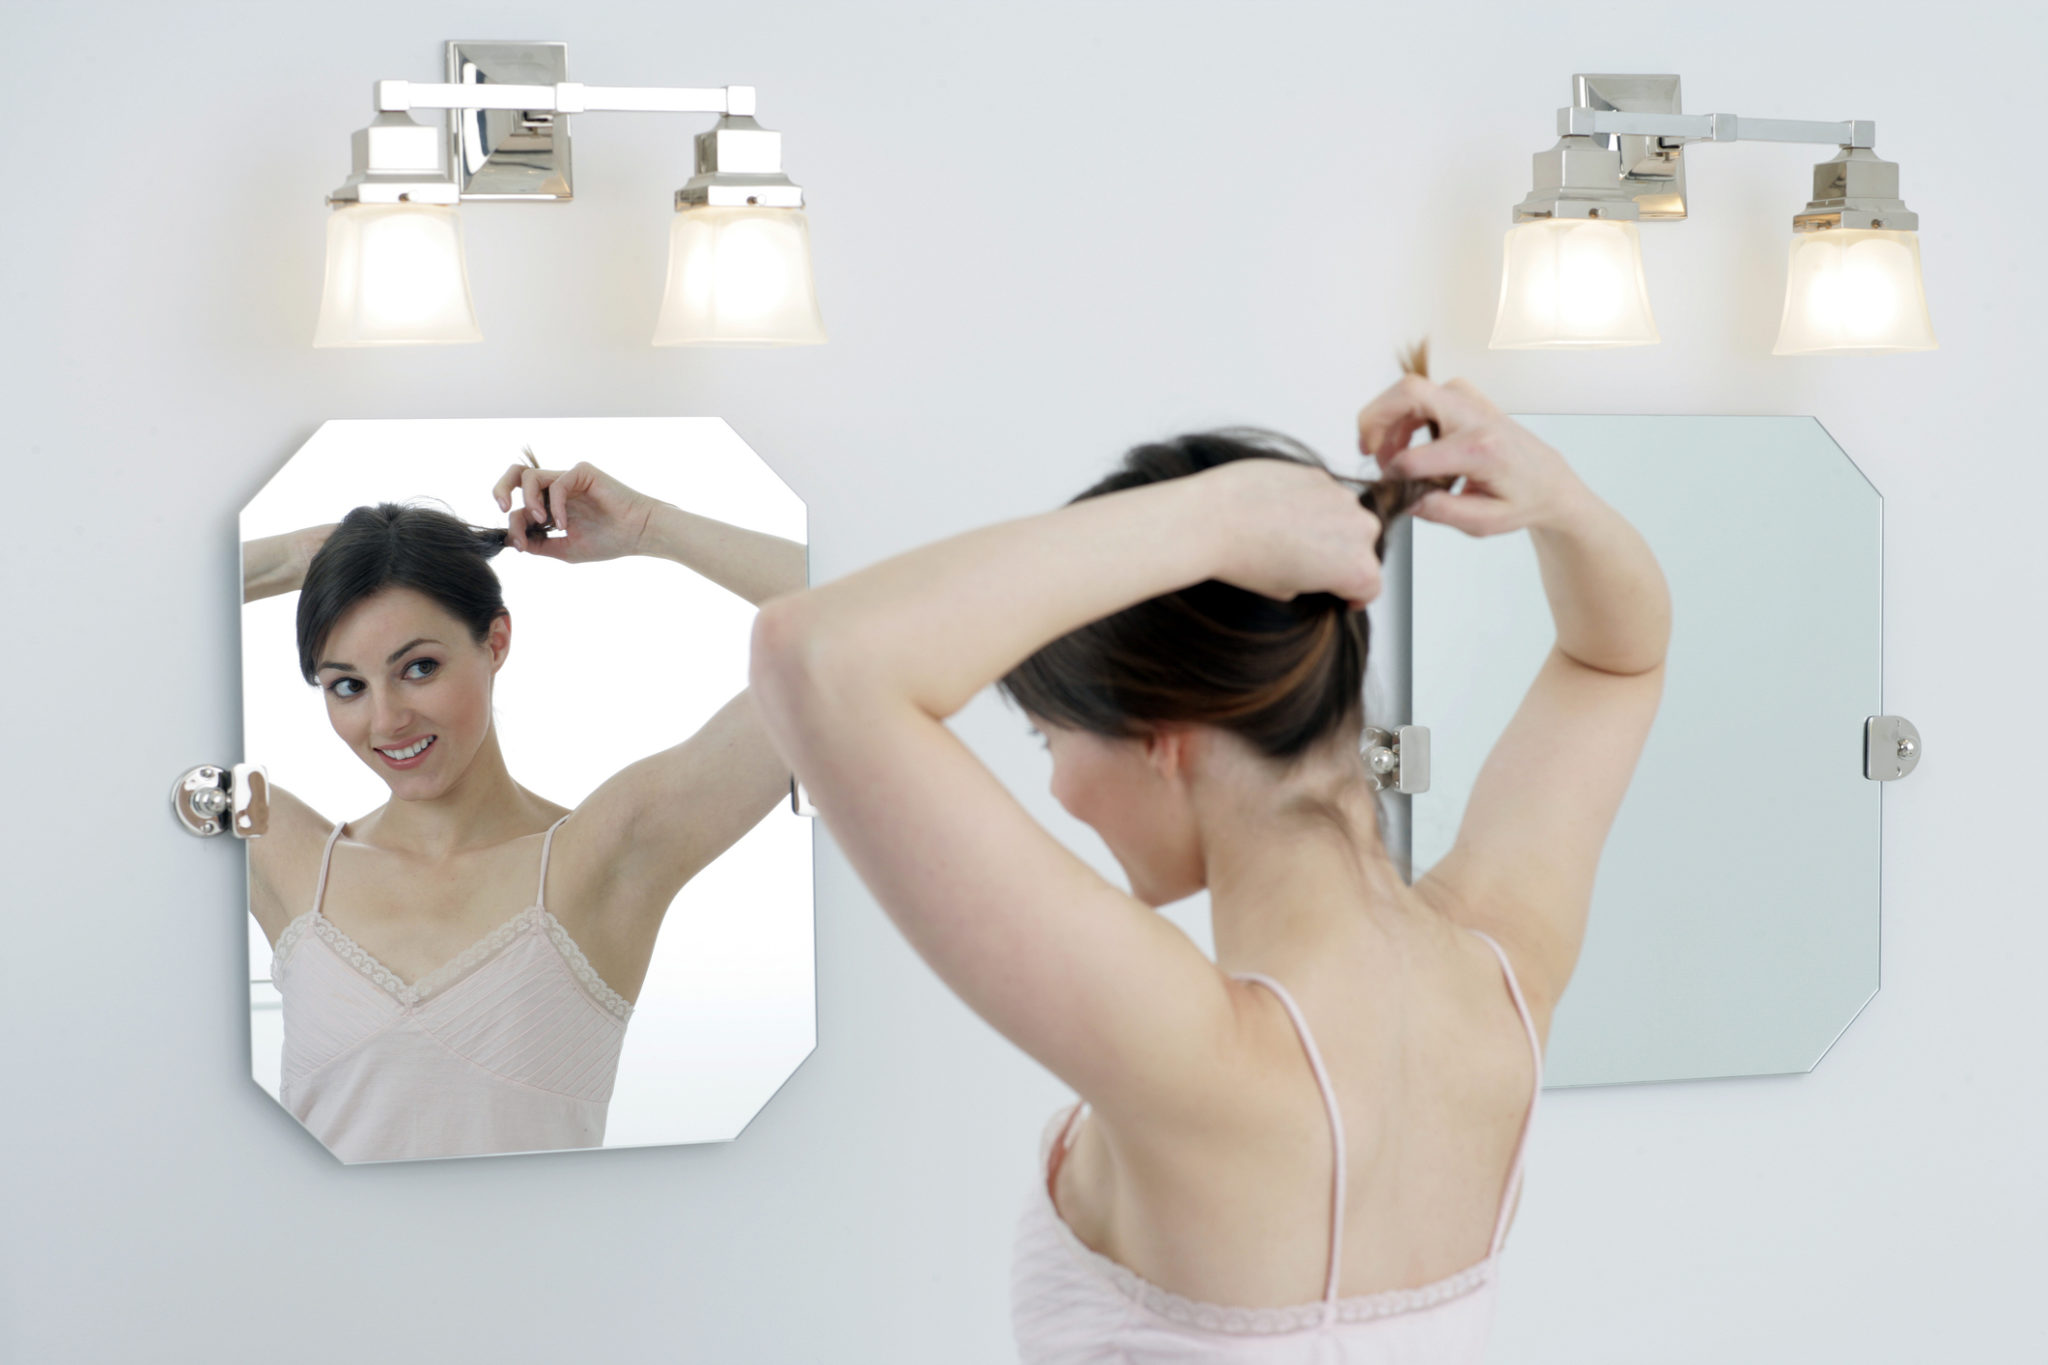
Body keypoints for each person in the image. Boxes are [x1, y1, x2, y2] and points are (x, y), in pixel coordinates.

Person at [748, 373, 1669, 1359]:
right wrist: (1561, 503)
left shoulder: (1196, 1059)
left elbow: (816, 657)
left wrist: (1218, 518)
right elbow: (1615, 660)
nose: (1056, 790)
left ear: (1159, 736)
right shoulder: (1500, 987)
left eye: (1047, 739)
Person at [240, 460, 803, 1162]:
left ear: (496, 641)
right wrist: (300, 558)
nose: (386, 720)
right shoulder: (281, 851)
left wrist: (649, 527)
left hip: (553, 1273)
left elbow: (860, 632)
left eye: (419, 667)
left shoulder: (603, 855)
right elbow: (98, 647)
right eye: (346, 684)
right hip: (311, 1273)